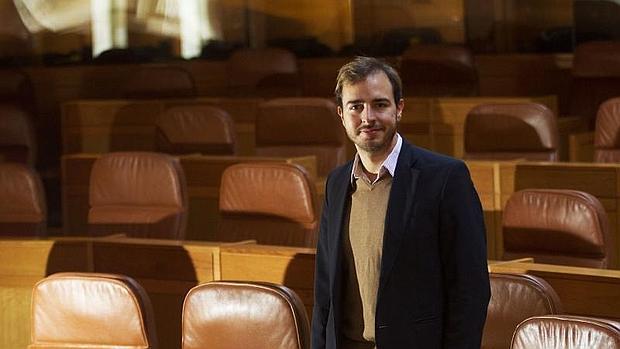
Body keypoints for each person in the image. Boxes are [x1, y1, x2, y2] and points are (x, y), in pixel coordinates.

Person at [311, 56, 490, 349]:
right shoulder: (337, 182)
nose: (368, 117)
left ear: (399, 109)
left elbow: (470, 291)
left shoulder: (445, 178)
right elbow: (325, 290)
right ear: (341, 115)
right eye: (356, 106)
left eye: (380, 104)